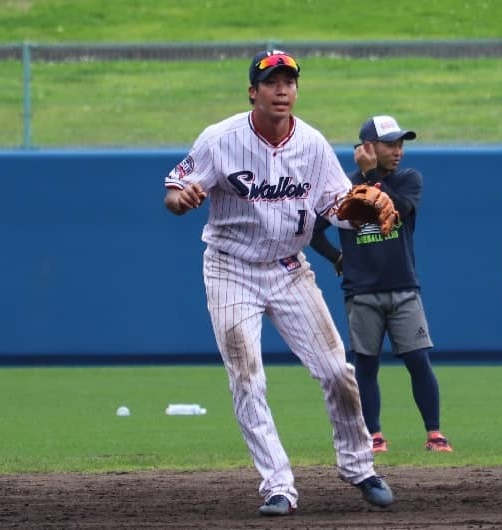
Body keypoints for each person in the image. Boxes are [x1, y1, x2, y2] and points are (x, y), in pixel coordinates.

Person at [163, 50, 394, 516]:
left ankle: (359, 467)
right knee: (247, 377)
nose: (282, 89)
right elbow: (174, 190)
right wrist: (180, 199)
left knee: (336, 371)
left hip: (289, 268)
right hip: (231, 268)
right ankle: (278, 485)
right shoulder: (220, 139)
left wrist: (360, 212)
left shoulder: (311, 143)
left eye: (289, 81)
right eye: (271, 82)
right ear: (253, 92)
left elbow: (336, 206)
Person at [310, 115, 453, 454]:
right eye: (390, 144)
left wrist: (372, 176)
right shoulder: (342, 185)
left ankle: (434, 434)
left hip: (403, 288)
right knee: (366, 365)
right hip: (361, 292)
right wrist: (337, 257)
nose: (398, 151)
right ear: (368, 147)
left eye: (400, 144)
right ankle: (373, 435)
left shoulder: (408, 179)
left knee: (418, 360)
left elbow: (399, 209)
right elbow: (313, 231)